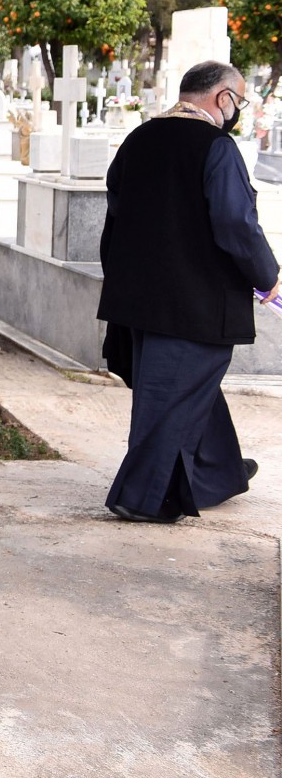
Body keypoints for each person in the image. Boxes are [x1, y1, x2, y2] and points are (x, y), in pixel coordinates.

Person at [100, 60, 279, 523]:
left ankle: (216, 473)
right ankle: (143, 497)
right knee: (171, 396)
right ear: (223, 98)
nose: (236, 110)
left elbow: (117, 211)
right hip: (195, 301)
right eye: (237, 101)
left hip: (141, 299)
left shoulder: (138, 139)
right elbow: (237, 223)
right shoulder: (215, 146)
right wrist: (268, 276)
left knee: (182, 388)